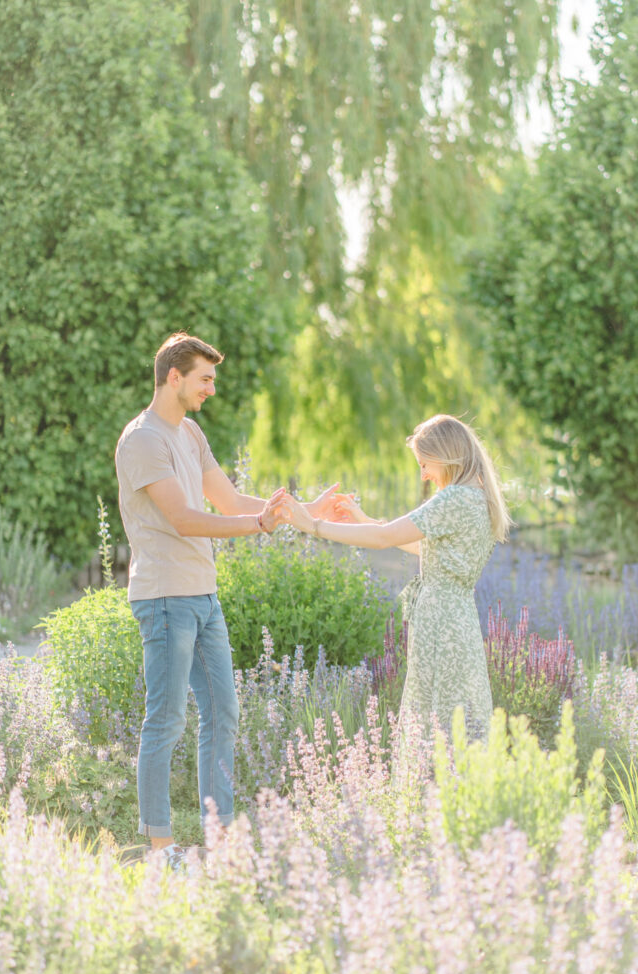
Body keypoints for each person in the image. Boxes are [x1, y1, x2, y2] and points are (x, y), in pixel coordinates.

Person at [115, 331, 346, 866]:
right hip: (166, 598)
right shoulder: (142, 440)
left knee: (223, 714)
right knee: (166, 719)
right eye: (205, 379)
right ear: (174, 376)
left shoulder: (190, 434)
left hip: (203, 596)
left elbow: (228, 498)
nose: (211, 389)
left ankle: (219, 844)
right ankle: (161, 848)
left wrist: (301, 509)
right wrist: (259, 525)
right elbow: (185, 518)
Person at [282, 414, 511, 742]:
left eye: (424, 464)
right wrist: (363, 519)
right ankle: (456, 788)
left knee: (435, 719)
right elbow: (423, 547)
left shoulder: (454, 498)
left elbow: (383, 539)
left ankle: (430, 788)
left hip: (440, 621)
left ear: (445, 455)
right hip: (458, 618)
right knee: (455, 715)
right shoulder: (478, 497)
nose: (424, 475)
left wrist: (313, 527)